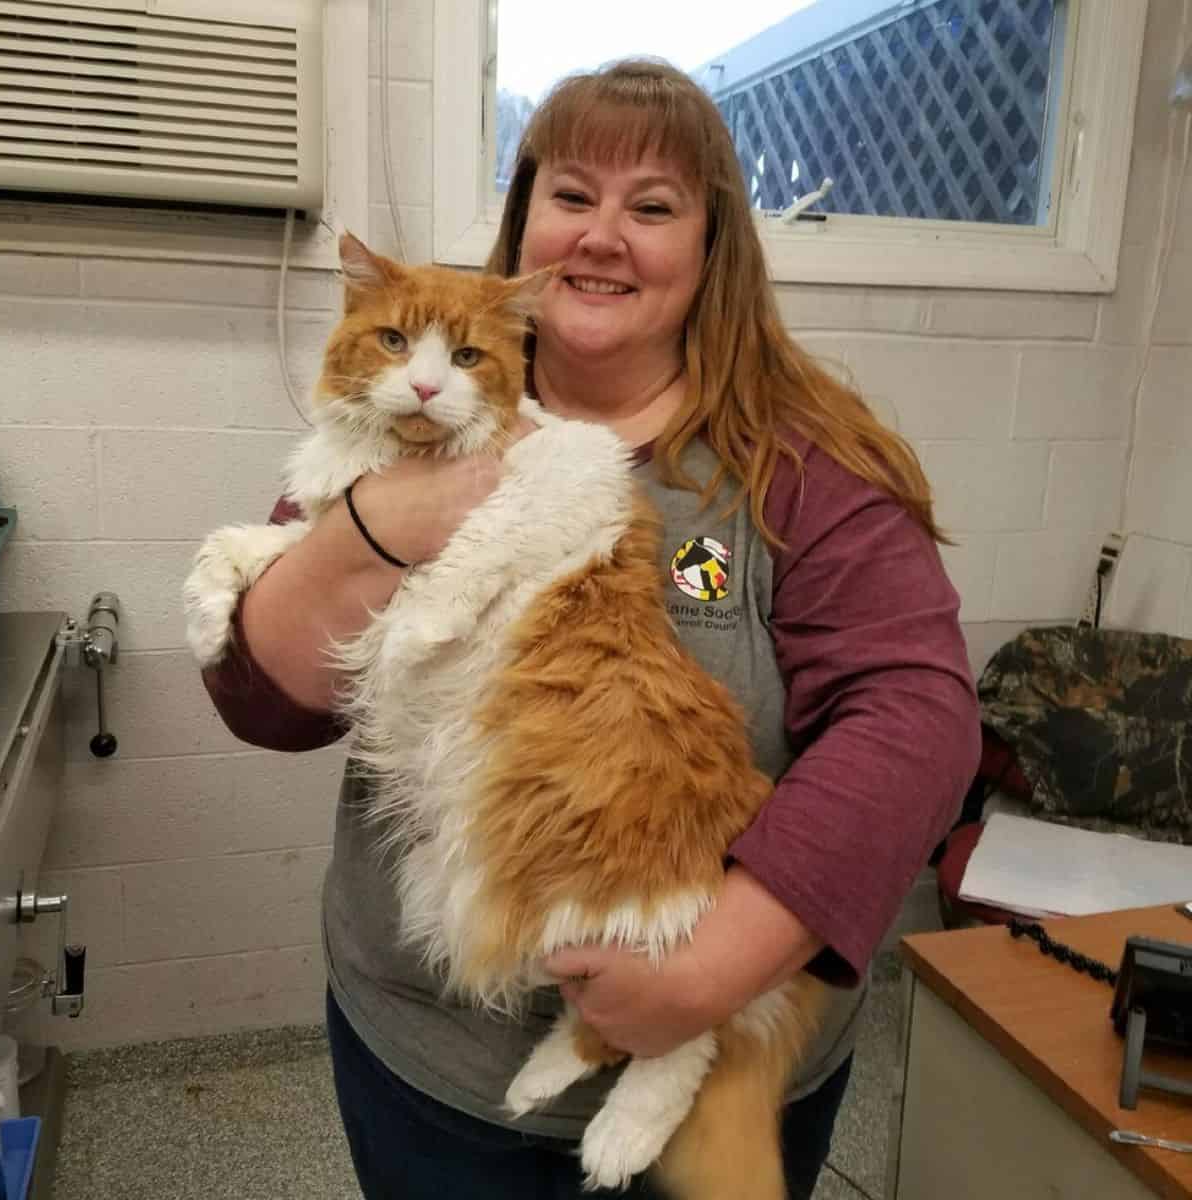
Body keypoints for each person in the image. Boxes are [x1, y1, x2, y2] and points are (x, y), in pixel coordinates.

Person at [202, 59, 981, 1200]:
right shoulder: (415, 404)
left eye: (654, 207)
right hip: (435, 1061)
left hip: (714, 1068)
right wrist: (373, 527)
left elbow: (918, 716)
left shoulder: (806, 463)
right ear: (525, 227)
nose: (603, 237)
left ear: (715, 247)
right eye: (571, 196)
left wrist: (714, 966)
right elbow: (263, 700)